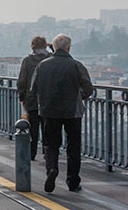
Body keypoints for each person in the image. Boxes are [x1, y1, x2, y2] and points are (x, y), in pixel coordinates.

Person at [31, 34, 94, 193]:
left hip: (49, 110)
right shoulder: (75, 65)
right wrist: (79, 97)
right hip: (72, 112)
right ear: (68, 48)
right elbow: (88, 88)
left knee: (51, 144)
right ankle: (72, 181)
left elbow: (33, 89)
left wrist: (44, 100)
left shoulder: (42, 65)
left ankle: (52, 169)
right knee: (73, 147)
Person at [17, 36, 51, 161]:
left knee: (33, 128)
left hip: (31, 100)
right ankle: (48, 154)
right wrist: (51, 47)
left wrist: (22, 95)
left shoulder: (27, 60)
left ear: (32, 47)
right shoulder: (50, 58)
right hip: (48, 100)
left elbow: (22, 80)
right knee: (47, 128)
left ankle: (32, 153)